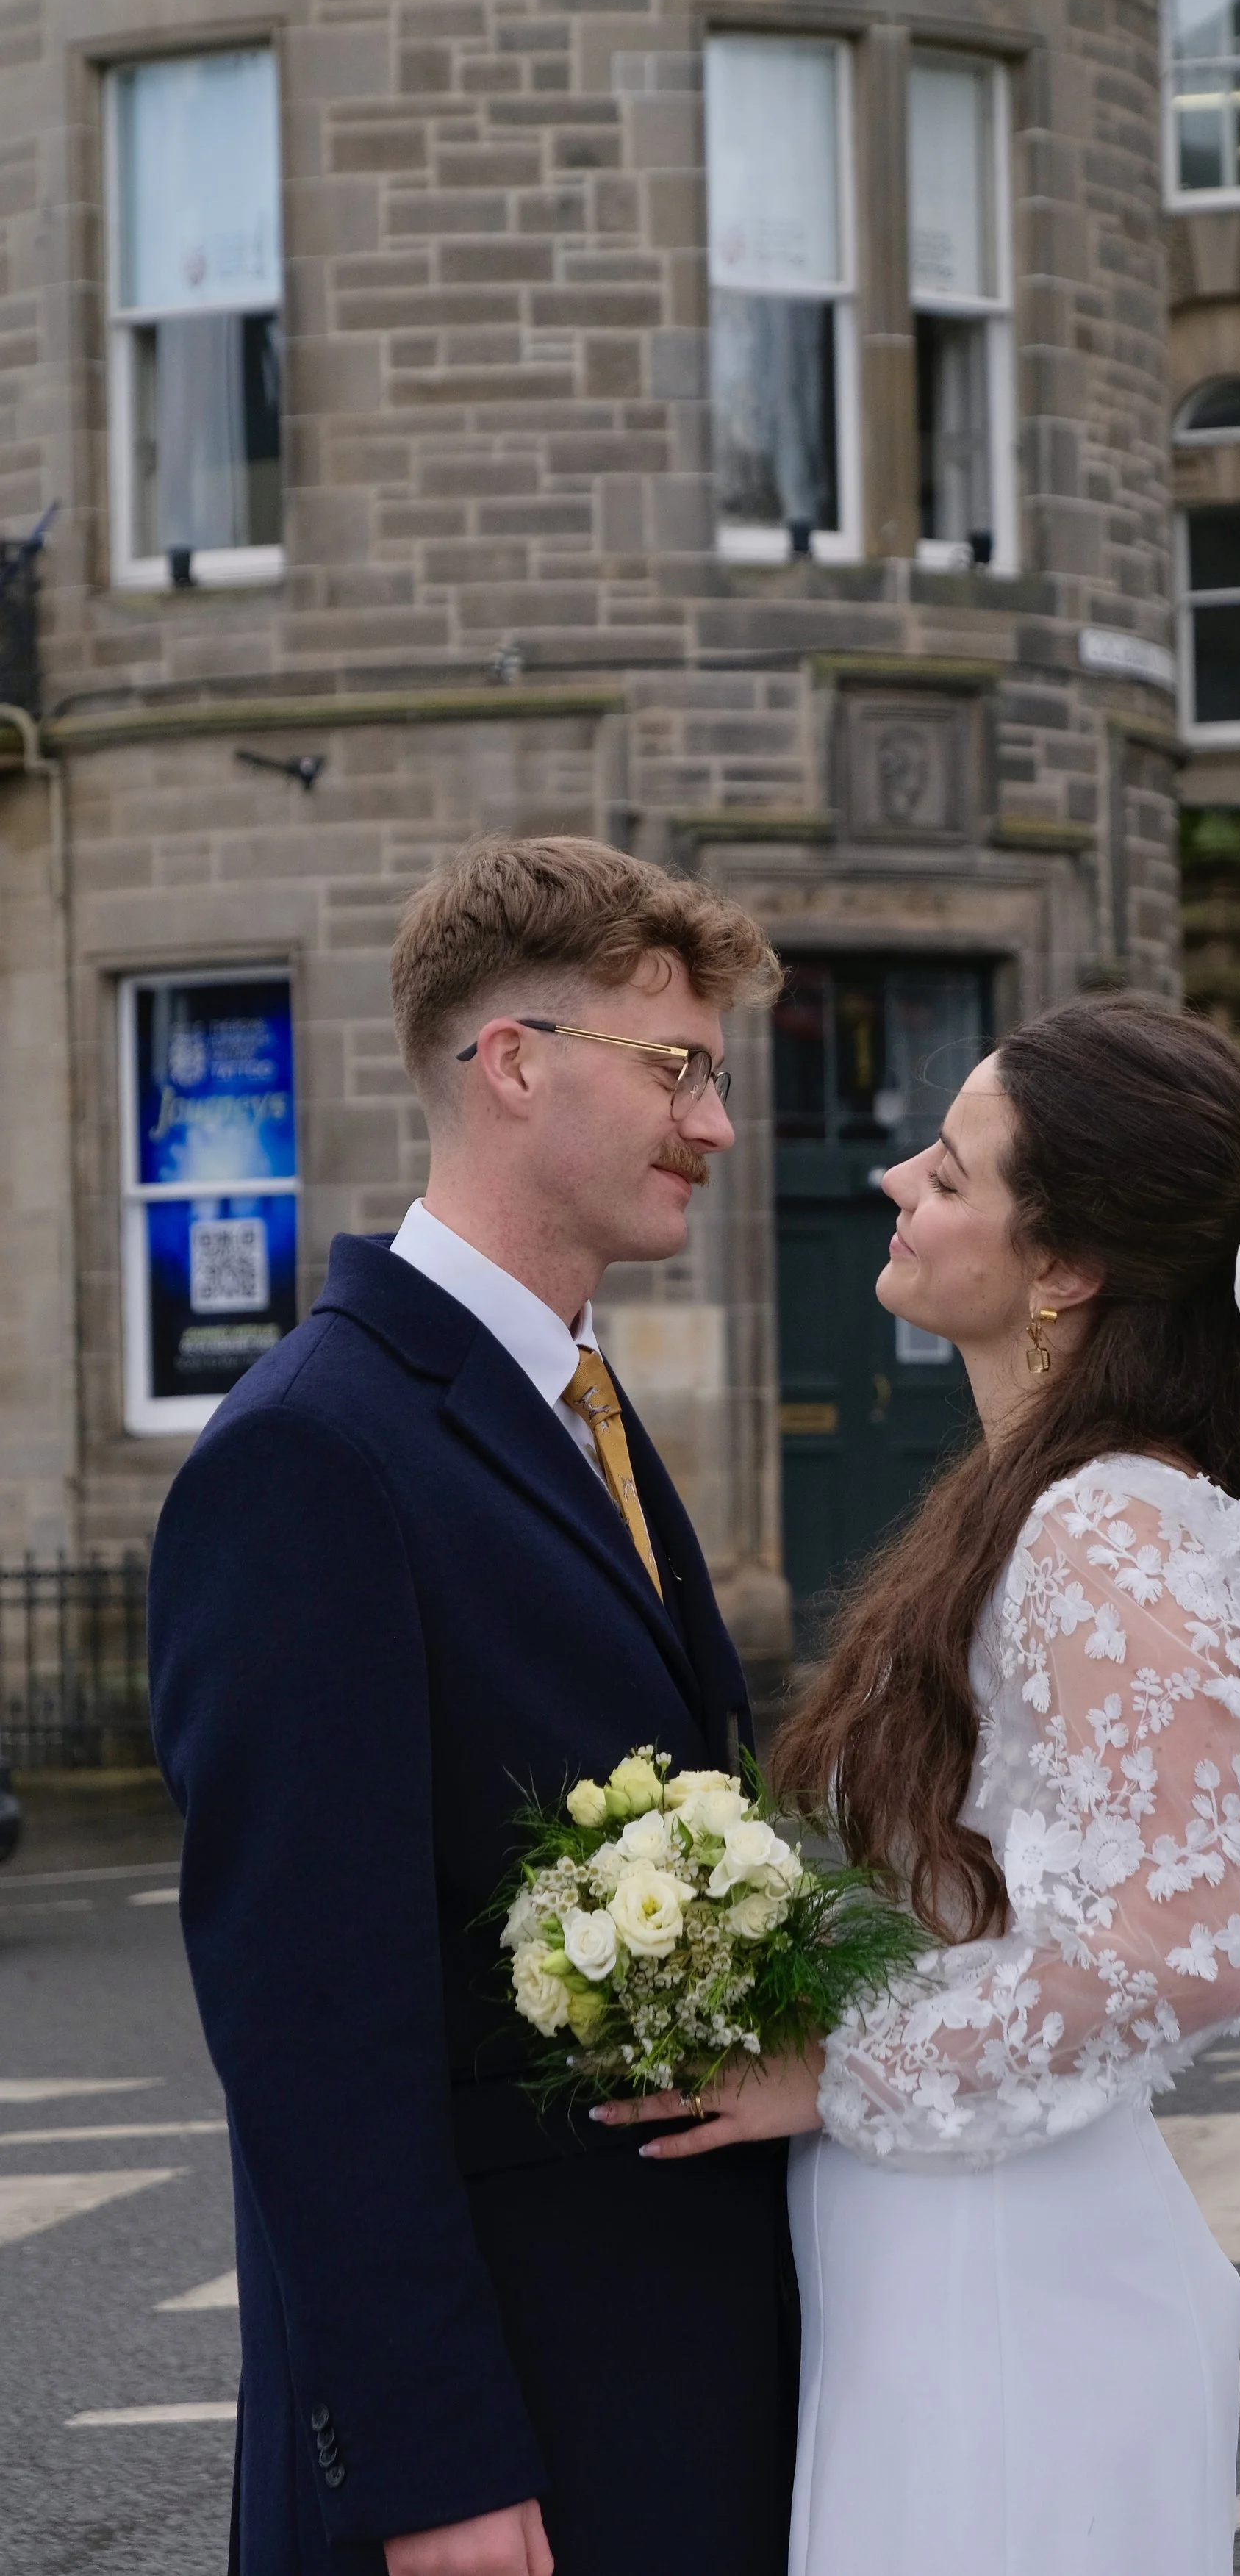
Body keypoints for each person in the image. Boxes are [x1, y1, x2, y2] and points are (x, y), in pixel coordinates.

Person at [595, 1010, 1240, 2576]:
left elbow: (1166, 1952)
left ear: (1065, 1266)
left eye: (948, 1173)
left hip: (1007, 2281)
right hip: (946, 2246)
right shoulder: (1051, 1505)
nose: (894, 1178)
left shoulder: (1111, 1530)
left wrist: (826, 2070)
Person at [148, 840, 792, 2576]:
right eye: (678, 1069)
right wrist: (429, 2463)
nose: (713, 1126)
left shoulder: (570, 1396)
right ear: (515, 1060)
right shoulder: (312, 1451)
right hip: (502, 2448)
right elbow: (310, 2026)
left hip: (663, 2379)